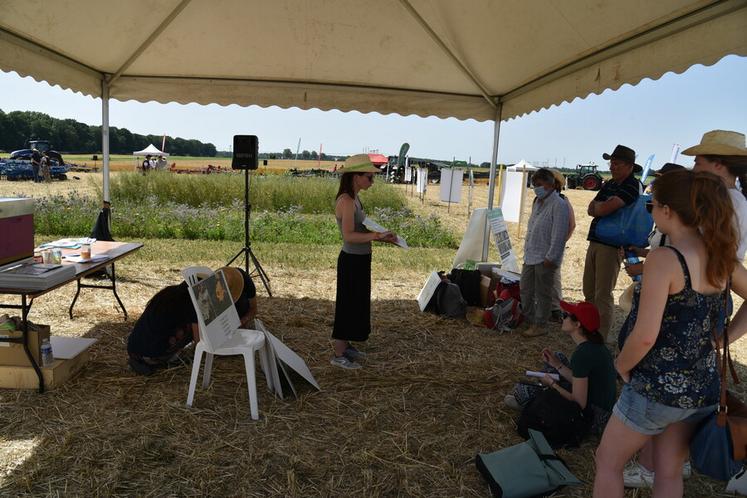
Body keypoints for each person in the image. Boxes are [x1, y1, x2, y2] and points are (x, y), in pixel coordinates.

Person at [593, 170, 744, 498]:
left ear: (668, 211)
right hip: (702, 386)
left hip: (657, 388)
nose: (651, 210)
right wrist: (724, 338)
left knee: (607, 462)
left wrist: (621, 364)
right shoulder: (721, 255)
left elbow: (646, 335)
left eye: (653, 205)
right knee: (669, 470)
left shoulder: (664, 259)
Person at [506, 300, 616, 436]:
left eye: (565, 315)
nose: (562, 318)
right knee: (558, 359)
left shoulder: (582, 355)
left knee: (522, 391)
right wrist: (557, 364)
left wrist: (553, 385)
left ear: (577, 324)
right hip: (603, 409)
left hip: (593, 417)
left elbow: (578, 403)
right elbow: (581, 381)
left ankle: (529, 401)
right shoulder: (596, 346)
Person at [127, 267, 257, 375]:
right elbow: (200, 342)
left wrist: (239, 323)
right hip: (147, 353)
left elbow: (253, 309)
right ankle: (156, 359)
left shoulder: (172, 293)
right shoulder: (193, 303)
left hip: (134, 346)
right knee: (194, 329)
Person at [331, 154, 396, 369]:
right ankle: (339, 354)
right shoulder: (347, 201)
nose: (372, 181)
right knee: (347, 304)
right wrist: (377, 236)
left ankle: (346, 344)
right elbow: (349, 235)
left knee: (356, 303)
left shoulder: (355, 198)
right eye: (369, 177)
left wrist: (383, 237)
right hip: (351, 260)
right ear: (355, 176)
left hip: (360, 259)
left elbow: (361, 230)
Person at [583, 144, 642, 342]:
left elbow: (605, 208)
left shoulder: (631, 185)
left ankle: (599, 338)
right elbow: (592, 208)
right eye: (611, 163)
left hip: (611, 246)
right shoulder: (610, 184)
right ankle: (588, 329)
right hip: (597, 242)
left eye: (616, 163)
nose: (611, 167)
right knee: (589, 290)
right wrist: (601, 207)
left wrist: (601, 207)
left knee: (602, 295)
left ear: (630, 166)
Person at [519, 168, 569, 337]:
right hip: (531, 254)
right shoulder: (537, 202)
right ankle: (529, 319)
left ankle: (540, 324)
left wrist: (551, 258)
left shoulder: (559, 205)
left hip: (545, 258)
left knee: (543, 293)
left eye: (539, 184)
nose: (536, 188)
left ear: (550, 184)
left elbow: (559, 234)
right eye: (534, 185)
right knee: (525, 289)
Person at [549, 169, 576, 322]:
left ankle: (556, 308)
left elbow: (572, 225)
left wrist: (560, 242)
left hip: (554, 245)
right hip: (539, 246)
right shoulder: (538, 200)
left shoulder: (563, 200)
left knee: (553, 277)